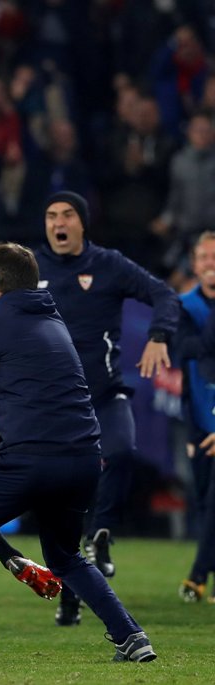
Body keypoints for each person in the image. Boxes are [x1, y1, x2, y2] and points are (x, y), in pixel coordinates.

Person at [0, 242, 157, 663]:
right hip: (82, 459)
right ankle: (131, 636)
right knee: (65, 555)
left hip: (32, 458)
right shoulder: (53, 319)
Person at [0, 190, 180, 626]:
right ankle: (76, 600)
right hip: (56, 408)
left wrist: (160, 334)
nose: (59, 222)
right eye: (51, 215)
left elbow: (164, 295)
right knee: (60, 523)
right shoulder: (30, 271)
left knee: (123, 451)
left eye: (67, 214)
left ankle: (101, 535)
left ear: (82, 223)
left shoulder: (109, 265)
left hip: (102, 395)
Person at [175, 231, 215, 602]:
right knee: (204, 501)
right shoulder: (183, 304)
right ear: (195, 261)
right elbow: (184, 357)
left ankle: (198, 576)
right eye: (205, 257)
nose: (210, 264)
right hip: (202, 420)